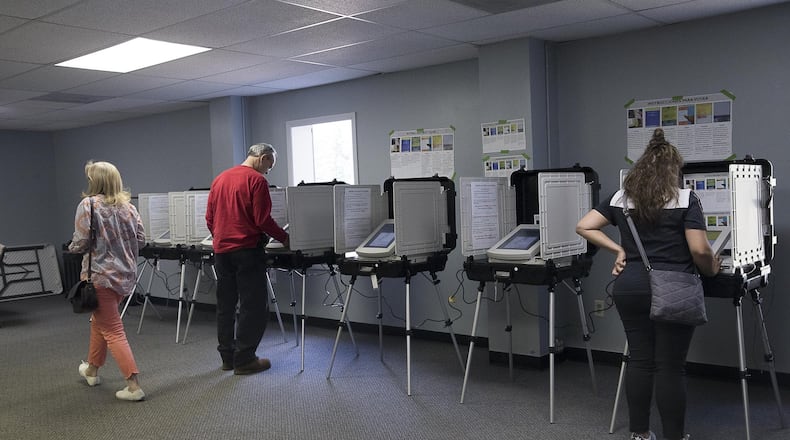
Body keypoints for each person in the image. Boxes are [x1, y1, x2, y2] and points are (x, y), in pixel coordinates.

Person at [576, 128, 720, 440]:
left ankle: (640, 435)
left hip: (630, 286)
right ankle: (674, 436)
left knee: (640, 360)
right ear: (674, 170)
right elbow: (699, 250)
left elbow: (584, 226)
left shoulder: (621, 198)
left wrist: (618, 250)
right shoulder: (686, 199)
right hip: (673, 288)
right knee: (670, 367)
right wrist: (712, 268)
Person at [206, 143, 289, 375]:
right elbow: (262, 219)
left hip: (221, 252)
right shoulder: (257, 180)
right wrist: (284, 238)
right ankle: (245, 360)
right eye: (270, 166)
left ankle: (227, 357)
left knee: (226, 305)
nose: (268, 171)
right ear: (263, 158)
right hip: (247, 251)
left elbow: (209, 218)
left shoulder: (220, 179)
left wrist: (222, 237)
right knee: (253, 306)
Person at [69, 161, 146, 401]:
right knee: (99, 322)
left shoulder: (88, 205)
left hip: (100, 277)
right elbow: (141, 240)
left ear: (95, 181)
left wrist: (72, 248)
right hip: (125, 277)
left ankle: (133, 386)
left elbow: (81, 242)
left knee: (112, 330)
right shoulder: (129, 208)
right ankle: (92, 370)